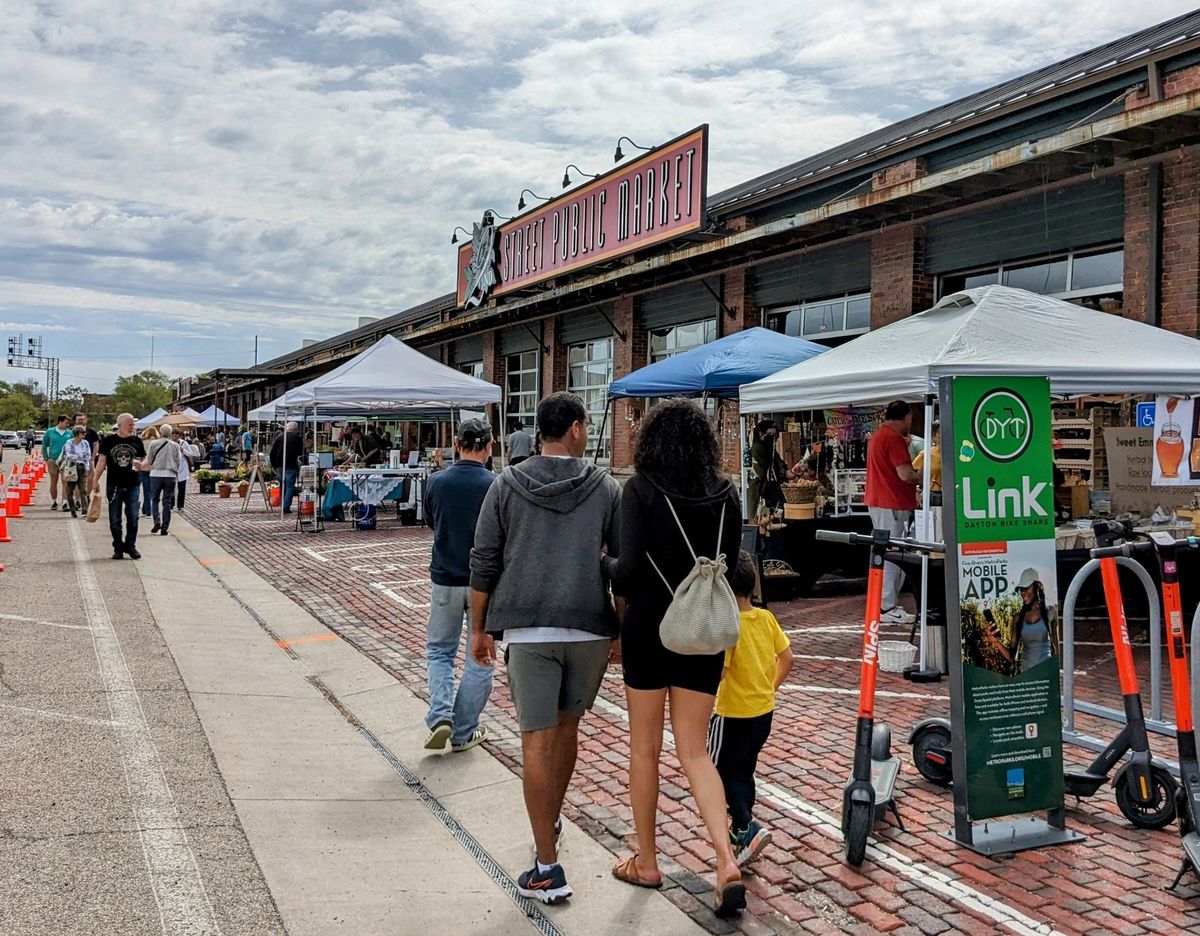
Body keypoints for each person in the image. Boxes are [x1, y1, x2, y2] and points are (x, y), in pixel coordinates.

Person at [469, 392, 621, 907]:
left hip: (528, 629)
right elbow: (619, 565)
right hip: (587, 626)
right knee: (567, 731)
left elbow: (484, 559)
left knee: (535, 741)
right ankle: (550, 815)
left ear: (540, 431)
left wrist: (479, 627)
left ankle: (547, 865)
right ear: (576, 428)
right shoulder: (605, 487)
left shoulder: (506, 484)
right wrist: (618, 627)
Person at [603, 398, 746, 917]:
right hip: (702, 632)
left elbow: (632, 571)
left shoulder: (639, 491)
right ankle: (725, 859)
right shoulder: (727, 494)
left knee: (644, 749)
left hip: (649, 629)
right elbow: (730, 565)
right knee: (695, 752)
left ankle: (646, 860)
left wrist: (606, 565)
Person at [707, 550, 794, 866]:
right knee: (744, 768)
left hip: (731, 713)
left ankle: (745, 825)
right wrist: (769, 687)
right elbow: (787, 658)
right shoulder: (765, 618)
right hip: (762, 712)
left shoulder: (729, 627)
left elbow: (721, 672)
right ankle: (741, 828)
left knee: (715, 770)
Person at [422, 418, 497, 754]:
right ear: (490, 445)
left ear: (456, 443)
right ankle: (465, 729)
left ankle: (440, 714)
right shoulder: (495, 484)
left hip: (444, 576)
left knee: (440, 650)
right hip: (484, 582)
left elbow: (430, 520)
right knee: (479, 655)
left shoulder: (437, 481)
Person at [865, 401, 919, 624]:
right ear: (905, 417)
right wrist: (924, 476)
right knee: (894, 554)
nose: (911, 423)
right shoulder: (893, 439)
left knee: (885, 551)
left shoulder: (879, 436)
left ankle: (884, 603)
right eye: (910, 418)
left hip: (880, 500)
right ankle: (886, 606)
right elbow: (905, 474)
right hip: (892, 502)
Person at [92, 413, 147, 559]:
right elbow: (102, 461)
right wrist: (95, 479)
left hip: (133, 484)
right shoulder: (109, 441)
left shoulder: (137, 441)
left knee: (133, 518)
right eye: (130, 425)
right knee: (115, 520)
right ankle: (118, 546)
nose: (132, 427)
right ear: (121, 424)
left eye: (133, 425)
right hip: (114, 485)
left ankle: (131, 545)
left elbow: (143, 457)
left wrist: (143, 463)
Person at [985, 568, 1057, 674]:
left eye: (1027, 587)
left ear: (1037, 587)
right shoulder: (1018, 618)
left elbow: (1056, 649)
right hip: (1026, 677)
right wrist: (995, 641)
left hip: (1046, 675)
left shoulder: (1051, 612)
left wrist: (1056, 675)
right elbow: (1011, 657)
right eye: (1021, 589)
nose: (1023, 592)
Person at [748, 419, 790, 520]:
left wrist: (783, 468)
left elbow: (776, 460)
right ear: (761, 433)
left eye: (774, 435)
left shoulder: (769, 447)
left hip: (768, 487)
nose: (772, 438)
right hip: (760, 487)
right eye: (770, 434)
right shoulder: (758, 447)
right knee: (756, 513)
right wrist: (783, 473)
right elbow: (767, 465)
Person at [145, 424, 181, 535]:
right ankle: (165, 527)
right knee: (167, 502)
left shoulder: (154, 444)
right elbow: (178, 460)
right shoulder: (175, 445)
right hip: (170, 475)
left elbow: (149, 460)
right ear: (170, 433)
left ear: (160, 432)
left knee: (155, 499)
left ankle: (157, 521)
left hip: (156, 473)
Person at [269, 421, 304, 513]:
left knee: (282, 485)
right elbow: (300, 452)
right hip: (291, 464)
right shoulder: (297, 438)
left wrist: (273, 464)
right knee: (290, 486)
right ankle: (286, 505)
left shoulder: (279, 437)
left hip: (280, 465)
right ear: (295, 429)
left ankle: (283, 503)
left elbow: (272, 452)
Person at [42, 414, 73, 510]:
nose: (67, 425)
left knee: (65, 482)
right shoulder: (50, 432)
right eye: (66, 422)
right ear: (60, 422)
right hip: (53, 459)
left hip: (66, 460)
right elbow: (44, 445)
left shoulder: (70, 433)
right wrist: (46, 458)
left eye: (68, 423)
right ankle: (54, 501)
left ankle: (64, 502)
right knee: (53, 481)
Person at [61, 425, 93, 518]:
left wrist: (85, 465)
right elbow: (69, 454)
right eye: (82, 432)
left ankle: (85, 510)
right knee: (70, 490)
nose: (84, 434)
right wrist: (80, 456)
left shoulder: (85, 443)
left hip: (82, 467)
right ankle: (72, 510)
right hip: (72, 467)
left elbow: (88, 455)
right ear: (77, 434)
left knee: (83, 489)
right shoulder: (69, 442)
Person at [912, 422, 942, 494]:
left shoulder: (959, 455)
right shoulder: (926, 454)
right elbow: (912, 475)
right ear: (934, 436)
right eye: (940, 432)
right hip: (933, 496)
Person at [75, 413, 101, 492]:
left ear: (86, 420)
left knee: (90, 478)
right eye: (78, 420)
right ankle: (77, 499)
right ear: (75, 421)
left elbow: (96, 444)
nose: (80, 421)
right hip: (75, 459)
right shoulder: (71, 432)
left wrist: (93, 457)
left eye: (82, 419)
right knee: (76, 479)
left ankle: (88, 495)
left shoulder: (92, 432)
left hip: (89, 459)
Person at [137, 426, 159, 518]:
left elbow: (137, 456)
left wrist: (135, 468)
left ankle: (146, 509)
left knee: (144, 490)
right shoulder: (157, 443)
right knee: (151, 490)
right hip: (154, 468)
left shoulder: (142, 443)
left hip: (142, 468)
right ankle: (148, 510)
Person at [177, 434, 199, 510]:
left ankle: (180, 505)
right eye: (172, 434)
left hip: (183, 468)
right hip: (172, 468)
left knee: (182, 487)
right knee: (171, 488)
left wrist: (183, 450)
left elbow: (190, 454)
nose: (174, 436)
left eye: (176, 435)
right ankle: (171, 505)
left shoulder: (184, 443)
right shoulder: (169, 443)